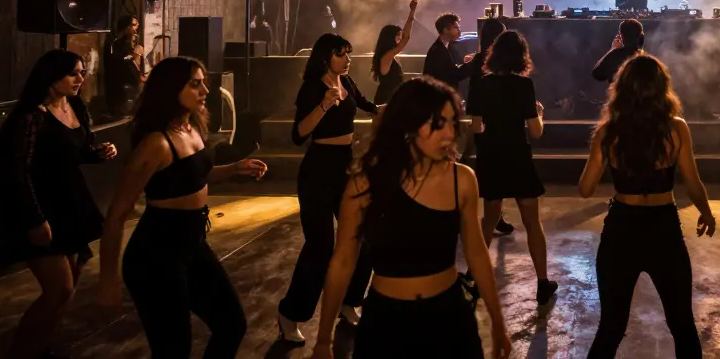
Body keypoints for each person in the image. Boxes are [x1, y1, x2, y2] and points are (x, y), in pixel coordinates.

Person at [308, 77, 510, 359]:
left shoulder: (461, 180)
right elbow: (343, 260)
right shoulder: (365, 185)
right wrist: (323, 340)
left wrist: (499, 324)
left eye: (453, 123)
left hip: (448, 318)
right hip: (386, 322)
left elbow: (476, 252)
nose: (448, 134)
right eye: (438, 124)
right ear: (408, 124)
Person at [97, 57, 268, 358]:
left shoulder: (190, 128)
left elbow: (194, 177)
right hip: (156, 255)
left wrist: (235, 168)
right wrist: (108, 280)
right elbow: (116, 214)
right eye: (195, 84)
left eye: (202, 82)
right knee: (173, 350)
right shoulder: (156, 144)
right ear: (171, 89)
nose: (204, 90)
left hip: (193, 244)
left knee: (231, 324)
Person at [579, 54, 716, 358]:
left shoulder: (608, 132)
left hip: (621, 229)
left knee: (611, 327)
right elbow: (693, 181)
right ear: (661, 89)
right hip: (663, 228)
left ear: (622, 89)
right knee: (682, 324)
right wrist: (706, 211)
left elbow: (585, 189)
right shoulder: (676, 129)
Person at [0, 50, 117, 359]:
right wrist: (35, 218)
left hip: (70, 204)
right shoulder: (32, 116)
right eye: (73, 73)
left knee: (68, 288)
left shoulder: (75, 106)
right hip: (40, 206)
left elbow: (76, 152)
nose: (80, 79)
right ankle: (19, 352)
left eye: (82, 72)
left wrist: (98, 152)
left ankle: (43, 349)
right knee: (58, 288)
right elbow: (18, 170)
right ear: (52, 76)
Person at [277, 34, 381, 343]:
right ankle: (290, 313)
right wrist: (323, 105)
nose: (348, 59)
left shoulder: (346, 83)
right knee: (320, 247)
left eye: (349, 53)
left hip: (345, 167)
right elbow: (298, 134)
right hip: (318, 170)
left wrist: (398, 106)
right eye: (342, 54)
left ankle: (349, 302)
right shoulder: (312, 88)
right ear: (326, 57)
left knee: (363, 237)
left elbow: (367, 105)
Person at [467, 30, 558, 304]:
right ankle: (542, 282)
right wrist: (540, 114)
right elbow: (536, 131)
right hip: (518, 156)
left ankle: (474, 275)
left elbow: (476, 127)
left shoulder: (481, 85)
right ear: (521, 56)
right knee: (532, 223)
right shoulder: (524, 86)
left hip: (492, 156)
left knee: (489, 219)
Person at [465, 17, 514, 236]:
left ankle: (496, 217)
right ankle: (492, 218)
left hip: (485, 119)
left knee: (494, 176)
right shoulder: (485, 61)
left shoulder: (482, 59)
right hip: (487, 120)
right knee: (493, 175)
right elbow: (476, 91)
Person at [371, 0, 419, 105]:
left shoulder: (389, 55)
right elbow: (406, 38)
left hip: (391, 98)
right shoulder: (388, 55)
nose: (400, 38)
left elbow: (396, 77)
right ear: (390, 37)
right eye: (397, 35)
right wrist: (412, 12)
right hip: (386, 100)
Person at [105, 14, 148, 115]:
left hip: (134, 90)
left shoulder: (133, 44)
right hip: (121, 91)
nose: (136, 27)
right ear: (125, 27)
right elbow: (119, 61)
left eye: (137, 24)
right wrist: (135, 54)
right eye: (133, 25)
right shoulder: (116, 44)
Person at [423, 12, 476, 90]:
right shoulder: (437, 52)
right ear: (445, 30)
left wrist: (467, 60)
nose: (459, 31)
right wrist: (474, 62)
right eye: (455, 28)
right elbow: (454, 74)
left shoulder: (449, 46)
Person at [592, 19, 645, 83]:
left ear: (622, 36)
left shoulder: (615, 55)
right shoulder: (647, 59)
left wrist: (613, 49)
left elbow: (597, 74)